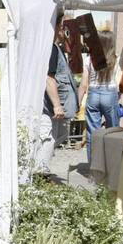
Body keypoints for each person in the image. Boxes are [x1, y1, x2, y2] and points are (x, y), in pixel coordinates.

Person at [39, 14, 79, 169]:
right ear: (56, 28)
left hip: (51, 106)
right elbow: (49, 78)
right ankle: (40, 174)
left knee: (55, 137)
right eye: (63, 26)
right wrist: (57, 105)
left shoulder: (55, 47)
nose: (65, 30)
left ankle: (42, 172)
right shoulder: (51, 48)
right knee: (47, 139)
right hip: (48, 106)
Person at [80, 30, 120, 159]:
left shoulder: (88, 60)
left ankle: (94, 170)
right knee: (113, 132)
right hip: (110, 93)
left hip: (93, 95)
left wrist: (78, 102)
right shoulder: (116, 59)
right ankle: (112, 166)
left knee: (93, 134)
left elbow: (84, 84)